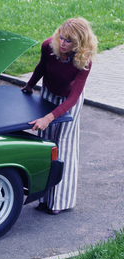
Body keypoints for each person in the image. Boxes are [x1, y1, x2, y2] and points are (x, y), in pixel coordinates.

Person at [22, 17, 98, 215]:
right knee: (46, 145)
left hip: (69, 100)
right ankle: (43, 198)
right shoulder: (49, 46)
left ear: (79, 43)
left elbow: (73, 98)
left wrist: (49, 117)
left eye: (69, 41)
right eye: (62, 37)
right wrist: (29, 85)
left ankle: (60, 202)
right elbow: (41, 67)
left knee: (63, 146)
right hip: (48, 93)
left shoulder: (84, 60)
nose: (62, 43)